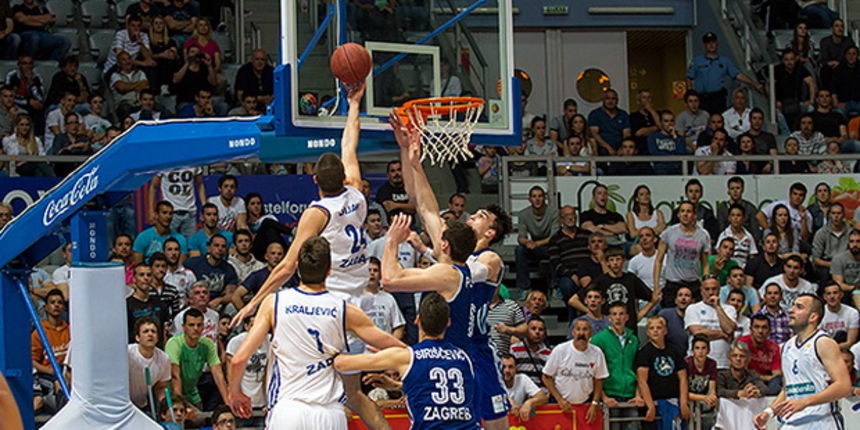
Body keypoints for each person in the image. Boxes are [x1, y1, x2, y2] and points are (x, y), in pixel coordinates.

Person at [329, 292, 476, 429]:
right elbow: (443, 390)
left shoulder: (407, 356)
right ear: (448, 323)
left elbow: (341, 364)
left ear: (417, 320)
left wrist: (348, 336)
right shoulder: (464, 357)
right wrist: (400, 386)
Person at [754, 294, 851, 429]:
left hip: (821, 421)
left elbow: (844, 386)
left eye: (799, 307)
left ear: (813, 317)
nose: (791, 310)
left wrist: (805, 402)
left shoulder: (823, 342)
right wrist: (769, 412)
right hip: (792, 423)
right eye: (793, 305)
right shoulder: (786, 347)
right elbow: (788, 389)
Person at [542, 319, 607, 427]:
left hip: (586, 405)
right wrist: (560, 400)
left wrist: (595, 403)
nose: (581, 333)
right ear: (573, 332)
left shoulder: (597, 352)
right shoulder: (560, 350)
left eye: (585, 329)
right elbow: (546, 377)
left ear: (591, 333)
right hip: (560, 405)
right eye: (578, 329)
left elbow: (599, 379)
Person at [571, 247, 656, 328]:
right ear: (607, 262)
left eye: (618, 259)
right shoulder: (601, 280)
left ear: (623, 261)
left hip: (629, 327)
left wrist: (640, 315)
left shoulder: (631, 279)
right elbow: (573, 300)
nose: (615, 263)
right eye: (611, 260)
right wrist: (592, 313)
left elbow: (653, 297)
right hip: (608, 327)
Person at [165, 308, 228, 412]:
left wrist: (228, 403)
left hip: (192, 393)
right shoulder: (174, 343)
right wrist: (180, 406)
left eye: (199, 325)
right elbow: (175, 376)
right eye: (191, 325)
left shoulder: (207, 344)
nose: (196, 328)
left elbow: (218, 374)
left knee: (201, 417)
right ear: (183, 327)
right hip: (171, 393)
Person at [590, 303, 641, 429]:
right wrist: (603, 397)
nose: (618, 318)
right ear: (609, 318)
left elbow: (638, 369)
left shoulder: (634, 339)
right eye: (614, 314)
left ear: (627, 317)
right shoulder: (599, 339)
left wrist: (638, 394)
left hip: (630, 394)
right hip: (610, 393)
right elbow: (593, 371)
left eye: (621, 314)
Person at [686, 32, 764, 115]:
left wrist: (754, 84)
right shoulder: (697, 61)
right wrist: (691, 94)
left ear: (717, 44)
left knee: (719, 119)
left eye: (713, 42)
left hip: (717, 98)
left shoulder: (725, 61)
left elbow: (738, 75)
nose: (711, 45)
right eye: (708, 43)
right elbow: (689, 78)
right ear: (705, 45)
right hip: (702, 98)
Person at [635, 315, 691, 427]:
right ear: (647, 332)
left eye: (659, 328)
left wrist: (683, 402)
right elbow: (642, 381)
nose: (655, 331)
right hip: (655, 402)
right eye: (652, 328)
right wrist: (650, 405)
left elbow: (683, 378)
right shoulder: (644, 353)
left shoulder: (674, 351)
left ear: (665, 331)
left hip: (674, 401)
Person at [655, 201, 711, 307]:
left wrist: (705, 284)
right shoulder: (668, 232)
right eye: (682, 211)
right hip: (673, 283)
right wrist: (656, 286)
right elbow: (658, 260)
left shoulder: (703, 235)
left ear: (694, 215)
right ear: (678, 214)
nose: (685, 214)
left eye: (688, 211)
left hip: (693, 283)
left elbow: (705, 263)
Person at [685, 277, 737, 369]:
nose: (711, 292)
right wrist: (722, 334)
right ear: (701, 291)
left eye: (714, 289)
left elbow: (729, 330)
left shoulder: (729, 309)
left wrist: (718, 307)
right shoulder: (692, 308)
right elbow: (698, 333)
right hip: (698, 364)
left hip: (722, 363)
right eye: (707, 289)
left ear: (719, 290)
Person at [548, 205, 590, 317]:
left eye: (573, 215)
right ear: (561, 219)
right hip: (568, 274)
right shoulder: (555, 239)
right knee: (567, 285)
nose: (571, 218)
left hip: (587, 272)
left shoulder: (586, 235)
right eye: (567, 215)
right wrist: (572, 275)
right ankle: (573, 318)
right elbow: (555, 263)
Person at [515, 186, 558, 292]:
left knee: (556, 249)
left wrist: (536, 243)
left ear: (545, 198)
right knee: (519, 250)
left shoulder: (553, 212)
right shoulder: (523, 214)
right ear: (529, 199)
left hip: (549, 246)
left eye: (540, 196)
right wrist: (527, 242)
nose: (537, 199)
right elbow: (521, 237)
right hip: (534, 247)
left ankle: (555, 287)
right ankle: (524, 288)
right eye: (534, 196)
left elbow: (554, 237)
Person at [223, 315, 268, 411]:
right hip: (243, 397)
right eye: (252, 325)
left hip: (262, 399)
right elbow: (230, 373)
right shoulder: (236, 342)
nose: (257, 329)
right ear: (246, 326)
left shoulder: (269, 341)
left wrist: (268, 400)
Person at [182, 234, 238, 309]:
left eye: (223, 246)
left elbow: (231, 294)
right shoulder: (193, 263)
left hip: (217, 305)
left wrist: (219, 300)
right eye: (216, 245)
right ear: (209, 248)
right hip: (194, 303)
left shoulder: (229, 269)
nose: (220, 249)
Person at [148, 167, 206, 239]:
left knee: (190, 243)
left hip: (190, 211)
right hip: (170, 212)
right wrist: (151, 210)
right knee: (168, 242)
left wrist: (204, 206)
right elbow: (153, 186)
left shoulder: (194, 163)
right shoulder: (164, 163)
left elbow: (200, 184)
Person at [128, 317, 171, 410]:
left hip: (142, 405)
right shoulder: (127, 353)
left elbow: (161, 386)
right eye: (146, 331)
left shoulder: (164, 359)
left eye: (153, 331)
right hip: (123, 403)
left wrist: (165, 405)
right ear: (137, 337)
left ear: (157, 338)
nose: (150, 334)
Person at [31, 289, 69, 389]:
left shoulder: (70, 330)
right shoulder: (39, 332)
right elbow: (33, 361)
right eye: (52, 302)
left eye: (60, 302)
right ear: (46, 307)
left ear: (64, 307)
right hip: (47, 374)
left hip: (67, 371)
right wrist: (51, 371)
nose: (56, 305)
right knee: (59, 384)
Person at [738, 315, 783, 395]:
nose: (760, 331)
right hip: (748, 381)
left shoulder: (774, 347)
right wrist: (765, 377)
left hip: (768, 384)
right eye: (757, 327)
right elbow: (742, 372)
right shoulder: (743, 343)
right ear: (751, 329)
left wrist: (767, 378)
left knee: (777, 383)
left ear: (769, 331)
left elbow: (777, 374)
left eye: (764, 327)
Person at [364, 257, 406, 341]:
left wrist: (389, 345)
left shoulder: (389, 298)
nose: (372, 273)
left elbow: (399, 327)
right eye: (369, 270)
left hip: (385, 347)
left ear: (380, 275)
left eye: (375, 270)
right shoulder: (355, 298)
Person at [774, 49, 816, 130]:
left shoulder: (800, 69)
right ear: (782, 60)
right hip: (781, 103)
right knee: (777, 114)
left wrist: (811, 100)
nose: (789, 62)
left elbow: (811, 83)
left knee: (811, 109)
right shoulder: (777, 70)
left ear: (796, 59)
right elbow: (768, 85)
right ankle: (787, 134)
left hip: (798, 102)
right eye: (786, 59)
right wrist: (774, 101)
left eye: (791, 59)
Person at [126, 263, 169, 342]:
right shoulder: (127, 305)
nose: (145, 278)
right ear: (134, 279)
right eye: (141, 275)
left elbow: (164, 332)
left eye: (149, 275)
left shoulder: (160, 303)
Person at [500, 353, 548, 422]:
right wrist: (507, 401)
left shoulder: (522, 378)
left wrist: (529, 403)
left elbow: (543, 397)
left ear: (516, 369)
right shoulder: (494, 381)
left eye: (510, 367)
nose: (507, 370)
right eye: (504, 367)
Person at [685, 336, 719, 428]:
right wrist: (704, 398)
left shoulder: (712, 364)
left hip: (703, 399)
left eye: (703, 348)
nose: (700, 351)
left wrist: (712, 398)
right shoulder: (686, 364)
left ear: (708, 351)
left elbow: (712, 389)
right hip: (688, 398)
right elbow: (683, 393)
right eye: (697, 348)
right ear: (692, 351)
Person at [811, 202, 849, 281]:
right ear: (829, 215)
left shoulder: (850, 232)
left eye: (839, 213)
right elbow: (816, 259)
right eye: (833, 213)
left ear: (843, 215)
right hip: (827, 264)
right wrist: (833, 265)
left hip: (846, 263)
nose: (836, 216)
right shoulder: (821, 233)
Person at [509, 317, 552, 387]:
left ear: (544, 334)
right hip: (520, 389)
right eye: (533, 329)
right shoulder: (515, 349)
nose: (537, 332)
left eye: (541, 329)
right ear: (526, 331)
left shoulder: (548, 353)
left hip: (541, 391)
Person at [587, 88, 631, 156]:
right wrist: (608, 148)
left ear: (617, 101)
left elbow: (627, 134)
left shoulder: (623, 115)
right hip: (602, 148)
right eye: (607, 98)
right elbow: (594, 133)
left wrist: (622, 148)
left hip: (620, 148)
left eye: (613, 99)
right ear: (603, 100)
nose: (610, 101)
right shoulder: (595, 114)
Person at [111, 50, 151, 119]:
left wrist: (128, 87)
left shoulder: (140, 73)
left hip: (140, 104)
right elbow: (122, 88)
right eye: (124, 60)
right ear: (119, 64)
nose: (128, 62)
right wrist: (139, 83)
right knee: (125, 108)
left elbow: (146, 86)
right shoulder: (115, 75)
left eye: (129, 58)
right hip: (125, 104)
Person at [716, 204, 758, 268]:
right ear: (729, 218)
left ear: (743, 218)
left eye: (738, 215)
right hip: (728, 268)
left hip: (744, 269)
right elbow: (718, 253)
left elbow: (752, 256)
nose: (735, 218)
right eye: (733, 215)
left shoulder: (749, 236)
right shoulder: (724, 235)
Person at [819, 282, 859, 350]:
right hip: (824, 348)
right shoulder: (819, 313)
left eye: (835, 293)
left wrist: (831, 349)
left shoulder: (853, 313)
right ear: (824, 297)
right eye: (828, 294)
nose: (832, 296)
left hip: (845, 350)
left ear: (841, 295)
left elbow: (850, 342)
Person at [628, 227, 665, 294]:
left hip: (663, 294)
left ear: (655, 239)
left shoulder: (665, 258)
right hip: (643, 296)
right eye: (641, 236)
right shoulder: (634, 261)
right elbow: (631, 283)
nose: (644, 238)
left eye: (648, 235)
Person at [647, 110, 685, 174]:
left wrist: (675, 136)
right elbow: (655, 153)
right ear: (661, 122)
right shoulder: (653, 136)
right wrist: (674, 157)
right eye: (666, 121)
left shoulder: (679, 138)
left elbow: (681, 154)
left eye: (672, 121)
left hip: (676, 167)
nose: (669, 124)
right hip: (661, 167)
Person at [658, 285, 694, 353]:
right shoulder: (665, 314)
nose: (683, 298)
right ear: (675, 300)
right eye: (680, 295)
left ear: (692, 301)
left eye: (687, 295)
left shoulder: (696, 315)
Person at [831, 229, 860, 309]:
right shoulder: (838, 259)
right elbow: (839, 284)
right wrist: (853, 288)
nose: (855, 244)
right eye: (852, 241)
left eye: (858, 241)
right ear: (848, 243)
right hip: (848, 291)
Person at [629, 89, 660, 155]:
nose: (647, 100)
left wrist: (651, 110)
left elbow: (662, 127)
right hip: (641, 150)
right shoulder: (634, 116)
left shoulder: (658, 114)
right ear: (639, 101)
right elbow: (639, 133)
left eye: (649, 97)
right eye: (644, 97)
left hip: (657, 148)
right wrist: (656, 128)